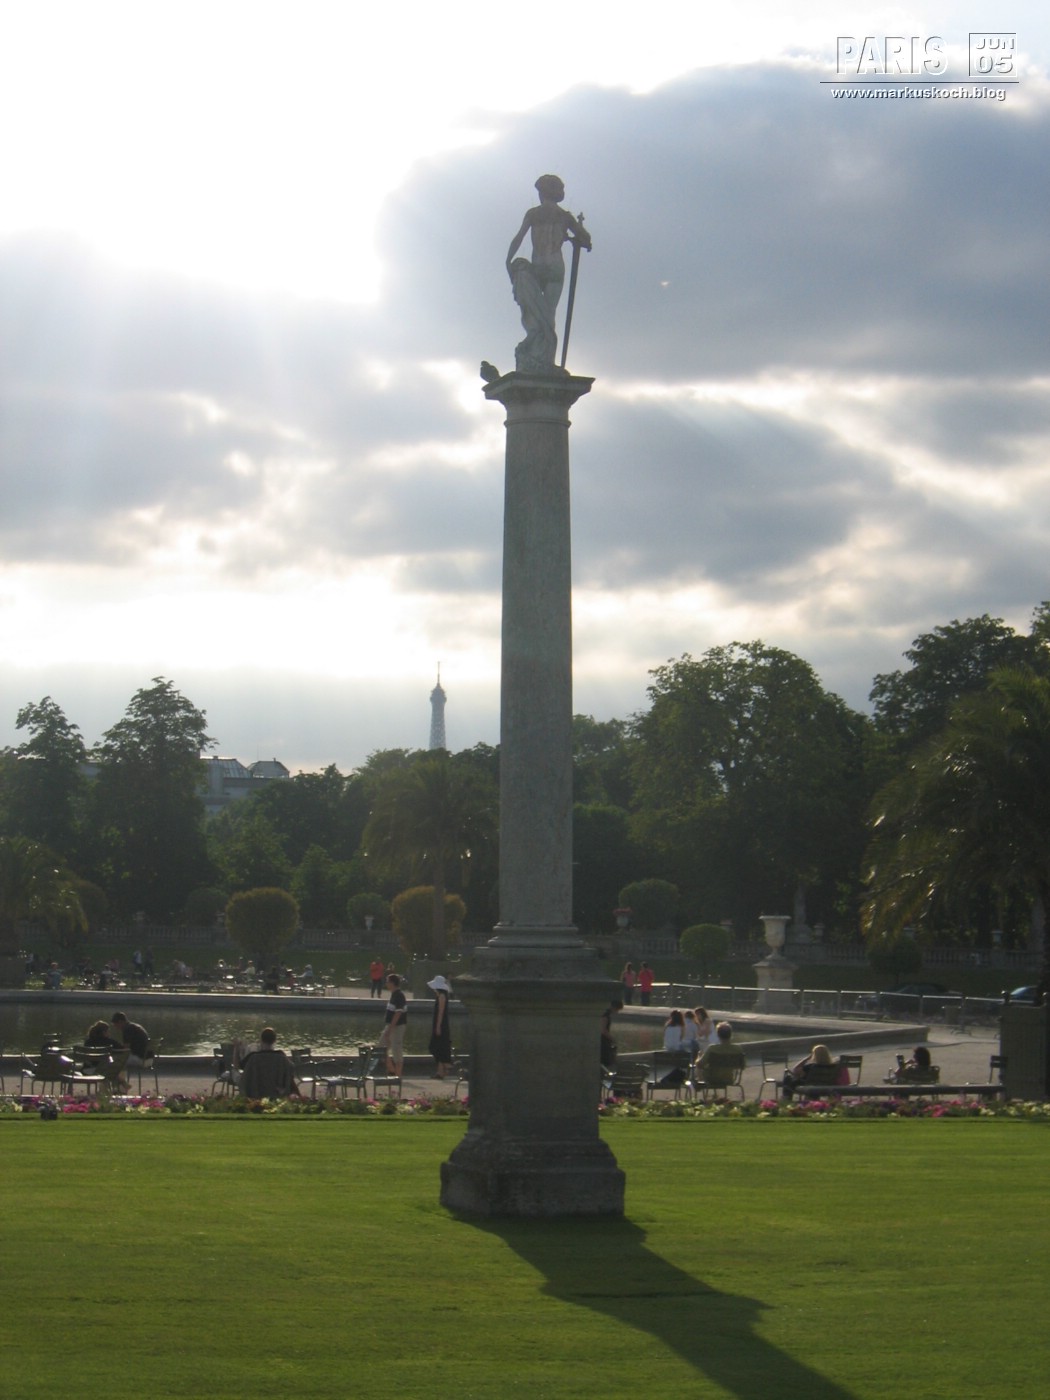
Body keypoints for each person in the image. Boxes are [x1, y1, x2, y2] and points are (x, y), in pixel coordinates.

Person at [505, 173, 591, 371]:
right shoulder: (565, 216)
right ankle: (546, 361)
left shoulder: (533, 214)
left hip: (537, 267)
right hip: (555, 268)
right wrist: (579, 238)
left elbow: (518, 238)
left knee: (536, 313)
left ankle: (538, 358)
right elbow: (586, 239)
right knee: (548, 316)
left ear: (542, 193)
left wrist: (508, 259)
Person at [240, 1027, 301, 1099]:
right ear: (274, 1040)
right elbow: (291, 1070)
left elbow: (241, 1067)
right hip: (277, 1093)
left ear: (261, 1040)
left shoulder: (253, 1057)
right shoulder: (281, 1057)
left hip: (257, 1093)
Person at [782, 1044, 849, 1099]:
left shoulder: (811, 1066)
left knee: (788, 1078)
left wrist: (806, 1059)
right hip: (827, 1084)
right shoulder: (834, 1067)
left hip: (810, 1084)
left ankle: (787, 1098)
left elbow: (795, 1070)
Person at [697, 1022, 747, 1096]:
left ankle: (699, 1087)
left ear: (718, 1035)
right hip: (729, 1079)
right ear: (730, 1034)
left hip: (712, 1079)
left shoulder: (712, 1048)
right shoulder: (738, 1049)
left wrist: (699, 1056)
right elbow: (743, 1065)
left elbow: (700, 1064)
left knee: (699, 1066)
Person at [378, 972, 408, 1077]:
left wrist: (390, 1029)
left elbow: (398, 1013)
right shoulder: (394, 995)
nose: (386, 984)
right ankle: (392, 1070)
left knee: (396, 1049)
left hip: (397, 1026)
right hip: (390, 1026)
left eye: (387, 982)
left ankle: (398, 1075)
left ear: (392, 983)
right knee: (381, 1048)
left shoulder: (399, 995)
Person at [427, 974, 453, 1079]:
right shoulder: (440, 996)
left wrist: (438, 1026)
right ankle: (441, 1071)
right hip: (439, 1023)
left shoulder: (442, 996)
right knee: (438, 1047)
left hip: (441, 1024)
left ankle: (446, 1066)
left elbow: (441, 1012)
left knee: (436, 1046)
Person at [600, 999, 623, 1071]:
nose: (617, 1012)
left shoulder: (605, 1014)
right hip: (603, 1041)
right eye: (617, 1010)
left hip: (604, 1040)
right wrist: (613, 1039)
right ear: (614, 1007)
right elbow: (603, 1030)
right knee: (605, 1060)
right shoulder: (605, 1016)